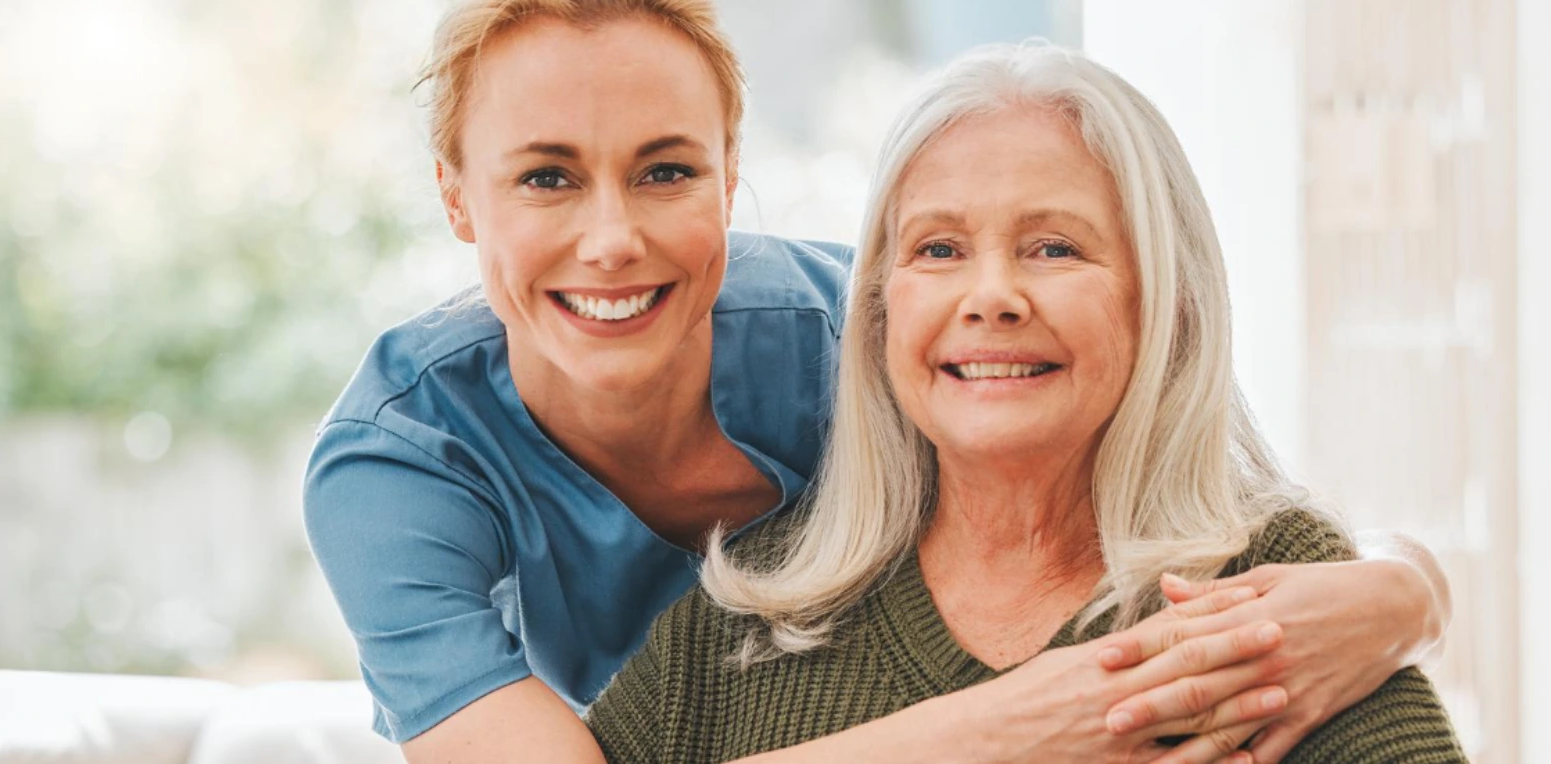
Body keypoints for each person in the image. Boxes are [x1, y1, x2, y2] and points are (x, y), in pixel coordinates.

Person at [303, 2, 1455, 761]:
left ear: (729, 174)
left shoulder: (866, 328)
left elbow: (1207, 452)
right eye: (547, 177)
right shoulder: (403, 463)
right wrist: (1052, 713)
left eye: (665, 169)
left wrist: (1406, 585)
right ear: (457, 196)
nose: (612, 238)